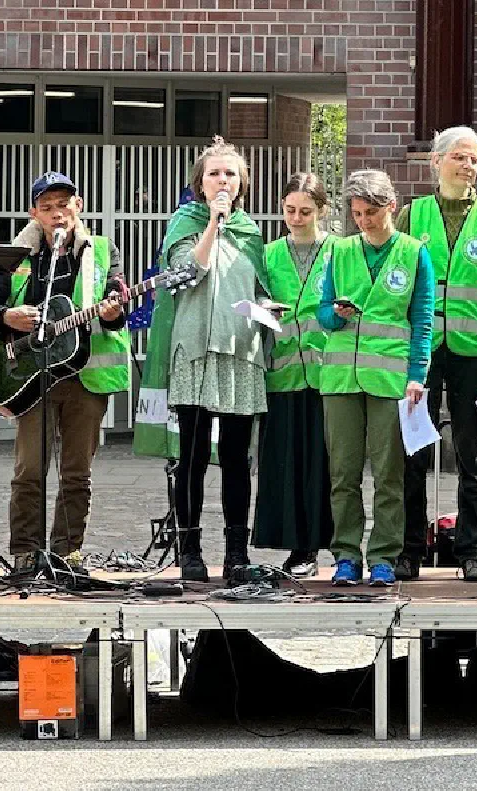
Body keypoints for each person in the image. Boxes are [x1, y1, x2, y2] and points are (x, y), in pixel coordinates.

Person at [0, 171, 130, 570]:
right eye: (47, 207)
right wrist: (7, 316)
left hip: (84, 375)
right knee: (29, 470)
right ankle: (25, 551)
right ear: (33, 213)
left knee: (77, 472)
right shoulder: (14, 256)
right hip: (31, 377)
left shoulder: (105, 251)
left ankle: (67, 551)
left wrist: (113, 310)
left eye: (64, 205)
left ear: (79, 206)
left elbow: (115, 307)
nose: (57, 214)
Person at [396, 126, 477, 582]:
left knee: (474, 453)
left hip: (476, 351)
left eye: (475, 160)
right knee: (413, 452)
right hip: (422, 353)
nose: (469, 167)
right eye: (461, 158)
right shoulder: (412, 215)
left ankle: (474, 550)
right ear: (437, 161)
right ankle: (409, 549)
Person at [154, 136, 267, 581]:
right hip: (195, 351)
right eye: (214, 173)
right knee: (194, 455)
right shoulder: (185, 224)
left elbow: (259, 288)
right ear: (199, 183)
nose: (223, 180)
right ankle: (190, 550)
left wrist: (267, 308)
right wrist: (212, 227)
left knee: (237, 457)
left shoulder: (252, 232)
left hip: (240, 351)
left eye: (231, 174)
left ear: (242, 184)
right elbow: (185, 275)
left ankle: (237, 553)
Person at [318, 170, 434, 587]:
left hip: (389, 379)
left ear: (391, 208)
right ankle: (346, 555)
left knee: (389, 474)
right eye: (356, 213)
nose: (363, 221)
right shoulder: (341, 251)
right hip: (340, 378)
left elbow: (422, 320)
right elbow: (323, 312)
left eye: (370, 212)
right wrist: (336, 313)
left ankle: (384, 555)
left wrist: (417, 375)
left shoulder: (414, 253)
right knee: (343, 474)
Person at [253, 173, 338, 577]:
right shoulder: (268, 254)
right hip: (283, 373)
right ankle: (298, 548)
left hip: (328, 375)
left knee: (328, 464)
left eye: (306, 211)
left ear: (322, 210)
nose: (297, 218)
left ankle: (334, 543)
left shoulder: (340, 251)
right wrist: (262, 310)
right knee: (287, 463)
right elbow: (252, 302)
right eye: (290, 210)